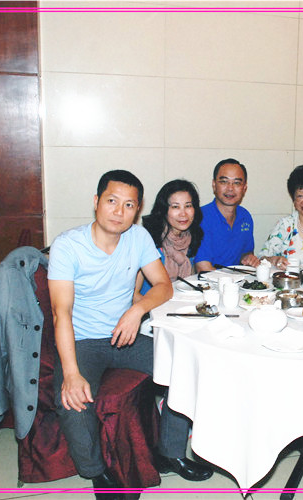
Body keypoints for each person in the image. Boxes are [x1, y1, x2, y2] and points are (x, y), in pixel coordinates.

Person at [48, 171, 212, 499]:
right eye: (112, 201)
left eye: (128, 205)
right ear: (96, 202)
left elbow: (163, 285)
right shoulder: (68, 245)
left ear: (137, 210)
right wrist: (71, 373)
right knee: (72, 401)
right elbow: (60, 313)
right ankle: (96, 472)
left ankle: (171, 452)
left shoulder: (137, 238)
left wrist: (136, 311)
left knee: (183, 370)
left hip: (126, 335)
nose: (118, 211)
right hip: (82, 340)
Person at [195, 159, 260, 271]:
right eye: (224, 182)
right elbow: (203, 269)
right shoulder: (201, 217)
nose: (230, 188)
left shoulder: (245, 216)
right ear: (214, 185)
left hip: (237, 279)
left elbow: (247, 253)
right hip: (208, 280)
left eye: (237, 183)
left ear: (244, 188)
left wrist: (247, 258)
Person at [140, 179, 203, 287]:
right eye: (175, 207)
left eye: (188, 206)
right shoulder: (148, 240)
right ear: (164, 210)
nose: (183, 214)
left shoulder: (193, 236)